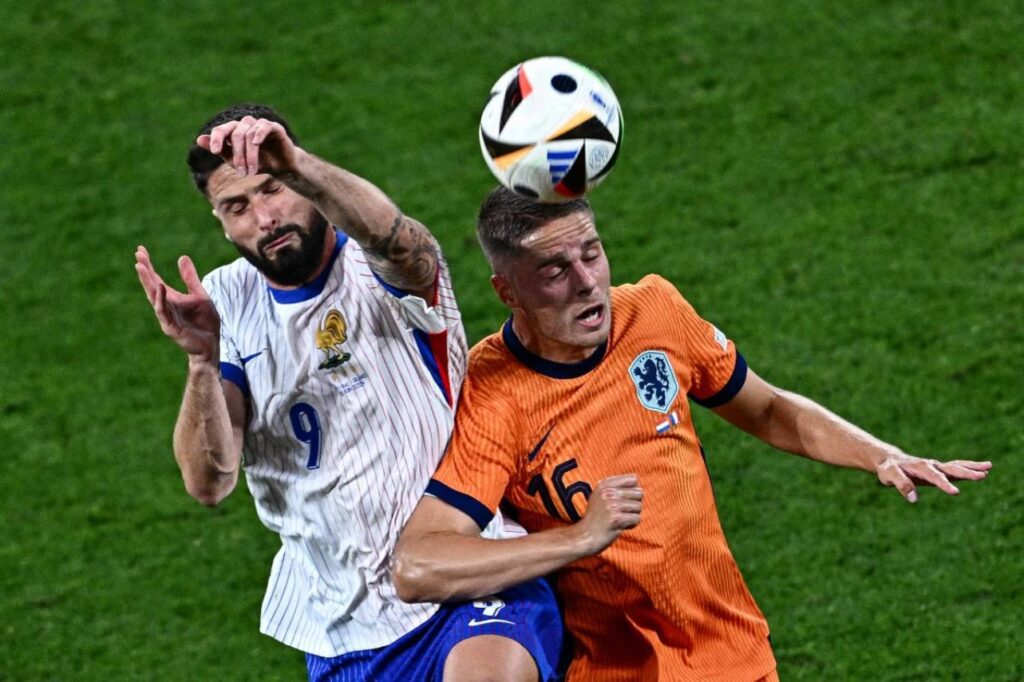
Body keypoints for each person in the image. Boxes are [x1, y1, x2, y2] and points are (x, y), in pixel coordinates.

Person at [392, 187, 993, 681]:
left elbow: (769, 409)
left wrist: (880, 455)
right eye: (554, 269)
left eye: (592, 253)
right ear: (507, 291)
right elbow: (419, 563)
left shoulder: (654, 312)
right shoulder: (494, 394)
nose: (586, 282)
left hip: (732, 653)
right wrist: (580, 538)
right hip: (615, 670)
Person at [135, 105, 563, 682]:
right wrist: (201, 361)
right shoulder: (227, 301)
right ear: (220, 221)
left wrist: (298, 164)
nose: (265, 217)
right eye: (238, 206)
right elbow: (209, 481)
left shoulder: (377, 264)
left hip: (468, 577)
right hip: (344, 629)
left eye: (276, 188)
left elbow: (393, 237)